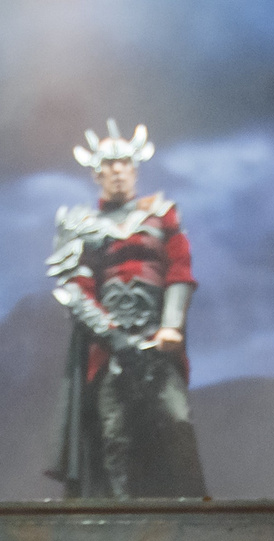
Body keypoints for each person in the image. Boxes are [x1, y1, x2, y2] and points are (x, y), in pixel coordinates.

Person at [47, 122, 207, 499]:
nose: (118, 170)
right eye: (110, 164)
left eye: (124, 163)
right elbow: (76, 290)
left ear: (134, 169)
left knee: (176, 423)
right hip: (109, 347)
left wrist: (170, 327)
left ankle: (192, 515)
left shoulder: (161, 214)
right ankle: (119, 522)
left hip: (158, 341)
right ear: (97, 172)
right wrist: (114, 338)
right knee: (115, 437)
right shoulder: (83, 225)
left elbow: (180, 272)